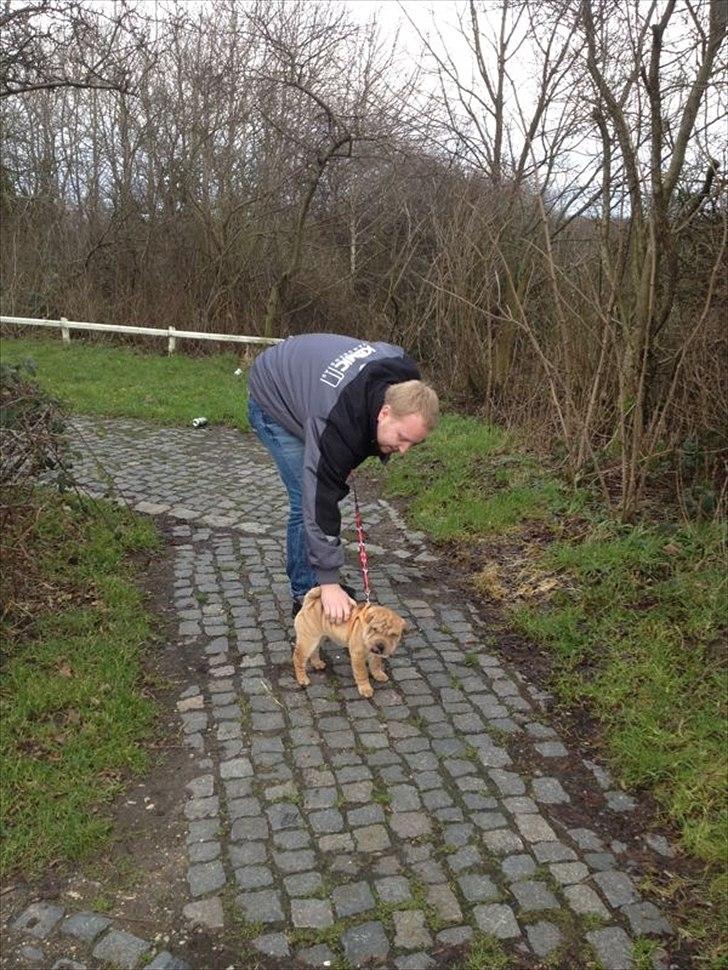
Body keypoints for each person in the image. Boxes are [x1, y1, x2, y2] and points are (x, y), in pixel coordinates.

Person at [247, 333, 439, 624]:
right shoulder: (334, 419)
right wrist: (329, 582)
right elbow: (319, 498)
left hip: (314, 387)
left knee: (328, 464)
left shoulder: (403, 378)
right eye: (401, 438)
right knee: (305, 497)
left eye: (414, 443)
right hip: (273, 392)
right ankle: (306, 593)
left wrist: (348, 452)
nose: (404, 450)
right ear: (384, 412)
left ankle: (317, 582)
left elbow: (355, 431)